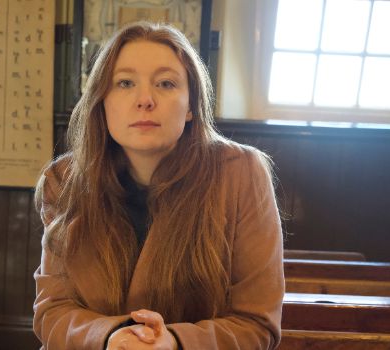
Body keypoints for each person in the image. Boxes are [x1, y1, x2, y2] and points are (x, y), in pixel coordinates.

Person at [33, 21, 284, 350]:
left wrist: (173, 342)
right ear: (102, 101)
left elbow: (257, 323)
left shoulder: (241, 174)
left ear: (192, 105)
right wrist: (112, 336)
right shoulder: (65, 179)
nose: (145, 99)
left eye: (166, 83)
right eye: (124, 83)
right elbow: (53, 312)